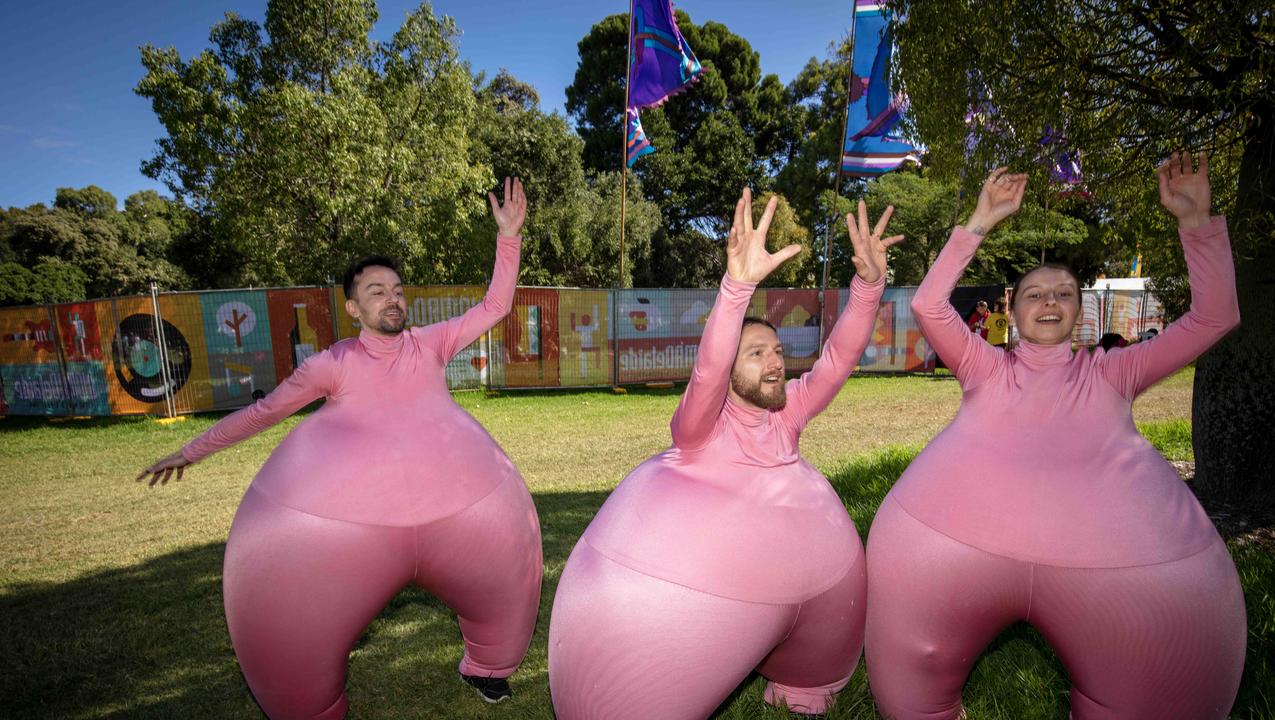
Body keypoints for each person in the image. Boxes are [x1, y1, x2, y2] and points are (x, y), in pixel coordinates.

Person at [137, 178, 542, 718]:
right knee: (296, 641)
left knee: (505, 587)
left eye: (397, 290)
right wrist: (190, 451)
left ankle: (487, 668)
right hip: (355, 529)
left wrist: (508, 237)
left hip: (457, 514)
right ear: (353, 308)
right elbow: (266, 412)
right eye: (377, 292)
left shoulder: (431, 344)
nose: (392, 299)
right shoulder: (334, 364)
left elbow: (495, 306)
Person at [864, 155, 1245, 719]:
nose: (1048, 301)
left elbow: (1215, 317)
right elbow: (928, 304)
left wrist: (1197, 223)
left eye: (1063, 294)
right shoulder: (985, 368)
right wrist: (979, 222)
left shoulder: (1115, 372)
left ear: (1080, 312)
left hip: (1102, 570)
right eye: (1034, 294)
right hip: (958, 554)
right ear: (1013, 314)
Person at [548, 189, 903, 719]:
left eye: (778, 352)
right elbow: (708, 372)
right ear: (733, 370)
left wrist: (869, 286)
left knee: (815, 676)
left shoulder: (788, 418)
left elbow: (837, 359)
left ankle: (803, 680)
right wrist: (736, 287)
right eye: (756, 354)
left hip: (811, 594)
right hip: (700, 596)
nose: (776, 364)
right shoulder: (700, 432)